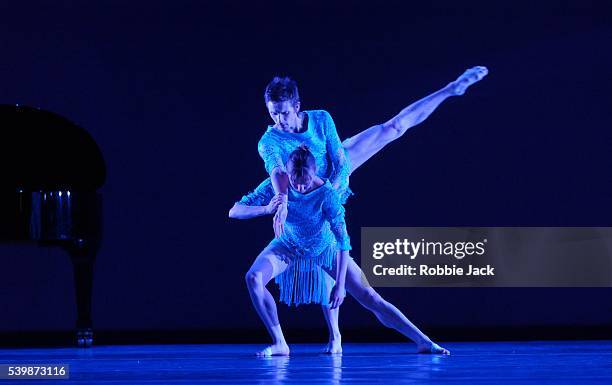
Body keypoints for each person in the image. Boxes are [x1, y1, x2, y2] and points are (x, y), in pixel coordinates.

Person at [229, 145, 450, 356]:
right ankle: (279, 343)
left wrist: (341, 285)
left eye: (305, 183)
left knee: (370, 297)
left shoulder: (326, 194)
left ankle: (424, 341)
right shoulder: (276, 184)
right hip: (289, 245)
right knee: (254, 277)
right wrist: (266, 209)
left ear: (314, 174)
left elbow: (343, 241)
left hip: (325, 247)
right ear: (287, 174)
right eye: (295, 184)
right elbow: (234, 211)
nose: (300, 188)